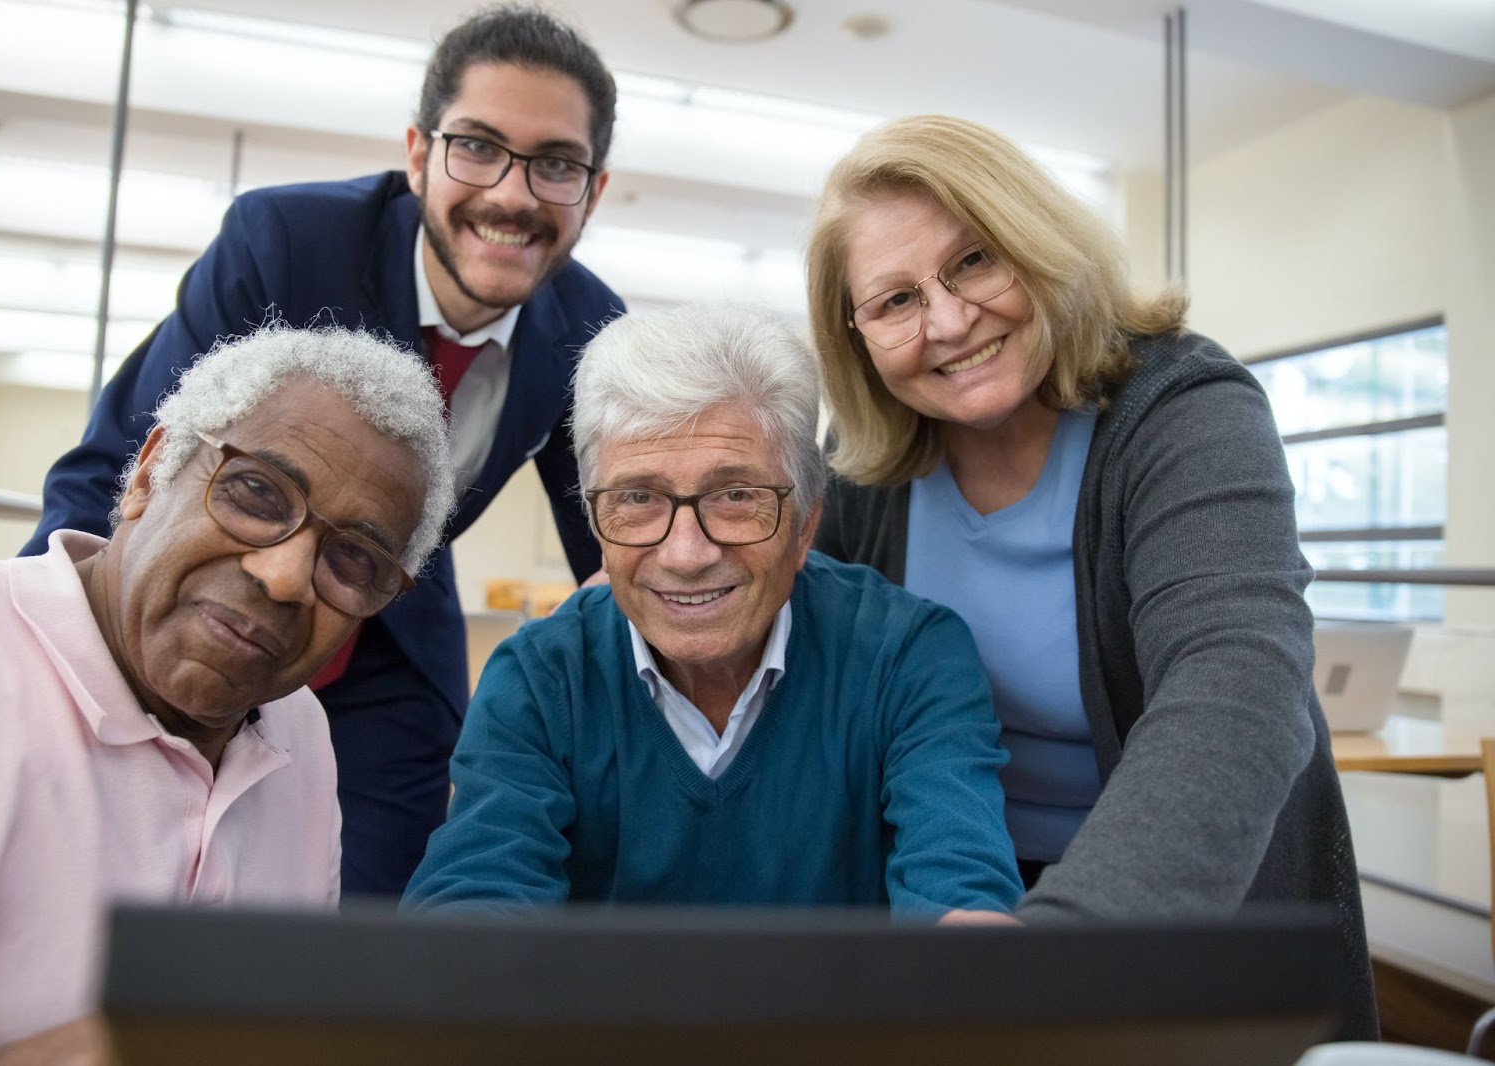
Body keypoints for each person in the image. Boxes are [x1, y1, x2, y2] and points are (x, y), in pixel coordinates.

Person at [21, 6, 625, 898]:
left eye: (556, 165)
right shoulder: (288, 243)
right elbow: (130, 456)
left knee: (371, 908)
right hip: (214, 585)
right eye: (478, 148)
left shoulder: (588, 332)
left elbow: (614, 543)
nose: (513, 194)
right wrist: (49, 680)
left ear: (593, 190)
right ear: (419, 154)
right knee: (107, 856)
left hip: (381, 633)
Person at [804, 115, 1376, 1037]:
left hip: (1181, 901)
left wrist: (1058, 958)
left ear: (1038, 244)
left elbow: (1236, 685)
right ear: (857, 336)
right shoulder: (865, 473)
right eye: (896, 301)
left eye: (975, 261)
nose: (948, 322)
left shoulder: (1182, 409)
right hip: (954, 900)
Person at [0, 325, 455, 1065]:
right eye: (257, 492)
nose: (284, 576)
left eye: (353, 557)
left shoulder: (300, 734)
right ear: (149, 473)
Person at [402, 303, 1022, 918]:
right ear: (596, 523)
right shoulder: (541, 677)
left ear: (806, 524)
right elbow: (473, 899)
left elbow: (960, 890)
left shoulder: (911, 656)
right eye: (638, 498)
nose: (687, 553)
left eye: (736, 495)